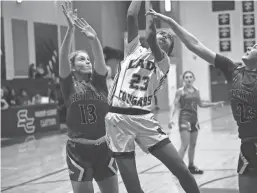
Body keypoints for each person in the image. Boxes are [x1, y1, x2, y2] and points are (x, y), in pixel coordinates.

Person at [146, 8, 257, 193]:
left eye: (255, 47)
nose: (249, 47)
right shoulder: (233, 70)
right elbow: (195, 45)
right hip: (248, 142)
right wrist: (170, 22)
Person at [105, 1, 200, 193]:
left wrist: (152, 16)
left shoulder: (162, 63)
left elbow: (149, 35)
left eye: (167, 37)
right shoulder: (133, 50)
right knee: (133, 188)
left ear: (168, 49)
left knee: (182, 171)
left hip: (143, 119)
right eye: (161, 33)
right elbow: (131, 16)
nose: (162, 36)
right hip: (117, 120)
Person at [59, 1, 118, 193]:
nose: (88, 61)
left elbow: (100, 60)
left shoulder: (99, 82)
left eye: (87, 58)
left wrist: (94, 40)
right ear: (73, 66)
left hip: (104, 148)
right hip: (79, 151)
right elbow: (62, 59)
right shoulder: (68, 85)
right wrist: (70, 30)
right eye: (82, 59)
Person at [169, 70, 224, 174]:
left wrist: (215, 104)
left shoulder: (196, 90)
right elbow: (174, 105)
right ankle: (177, 168)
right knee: (184, 144)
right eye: (186, 77)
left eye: (190, 77)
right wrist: (171, 119)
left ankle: (191, 166)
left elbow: (201, 104)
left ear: (193, 79)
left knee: (193, 144)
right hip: (184, 119)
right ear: (183, 79)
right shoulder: (180, 91)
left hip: (194, 120)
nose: (188, 79)